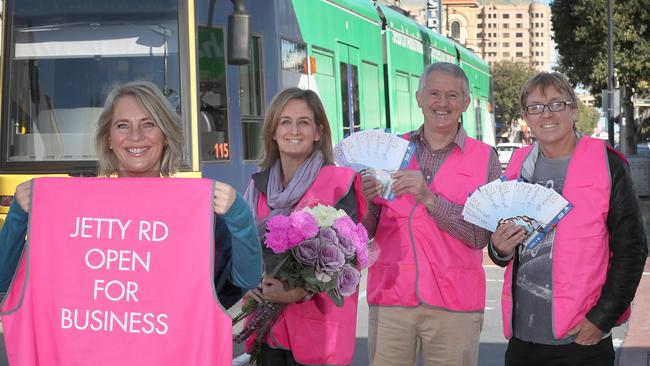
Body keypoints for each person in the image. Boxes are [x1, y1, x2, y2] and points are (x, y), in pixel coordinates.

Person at [0, 80, 262, 305]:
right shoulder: (78, 210)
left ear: (166, 136)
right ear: (108, 139)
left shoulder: (198, 212)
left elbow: (245, 280)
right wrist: (18, 218)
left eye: (149, 124)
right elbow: (4, 280)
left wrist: (239, 216)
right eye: (122, 125)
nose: (135, 136)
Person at [489, 72, 648, 366]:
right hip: (523, 337)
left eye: (556, 104)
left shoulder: (608, 163)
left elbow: (633, 250)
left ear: (574, 110)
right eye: (535, 107)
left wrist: (601, 319)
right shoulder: (517, 165)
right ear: (526, 116)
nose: (546, 114)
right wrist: (498, 248)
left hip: (581, 340)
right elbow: (503, 251)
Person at [361, 62, 501, 366]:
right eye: (434, 93)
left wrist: (430, 200)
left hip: (456, 304)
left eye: (452, 95)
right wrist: (362, 199)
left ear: (465, 103)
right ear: (419, 98)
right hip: (391, 298)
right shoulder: (389, 150)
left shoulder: (485, 158)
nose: (442, 102)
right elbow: (366, 230)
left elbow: (480, 237)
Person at [242, 87, 367, 366]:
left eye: (304, 122)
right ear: (273, 132)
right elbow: (240, 248)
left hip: (317, 334)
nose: (293, 129)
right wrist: (245, 284)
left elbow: (348, 259)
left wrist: (297, 291)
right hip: (267, 331)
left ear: (318, 132)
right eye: (285, 121)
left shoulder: (339, 183)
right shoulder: (257, 187)